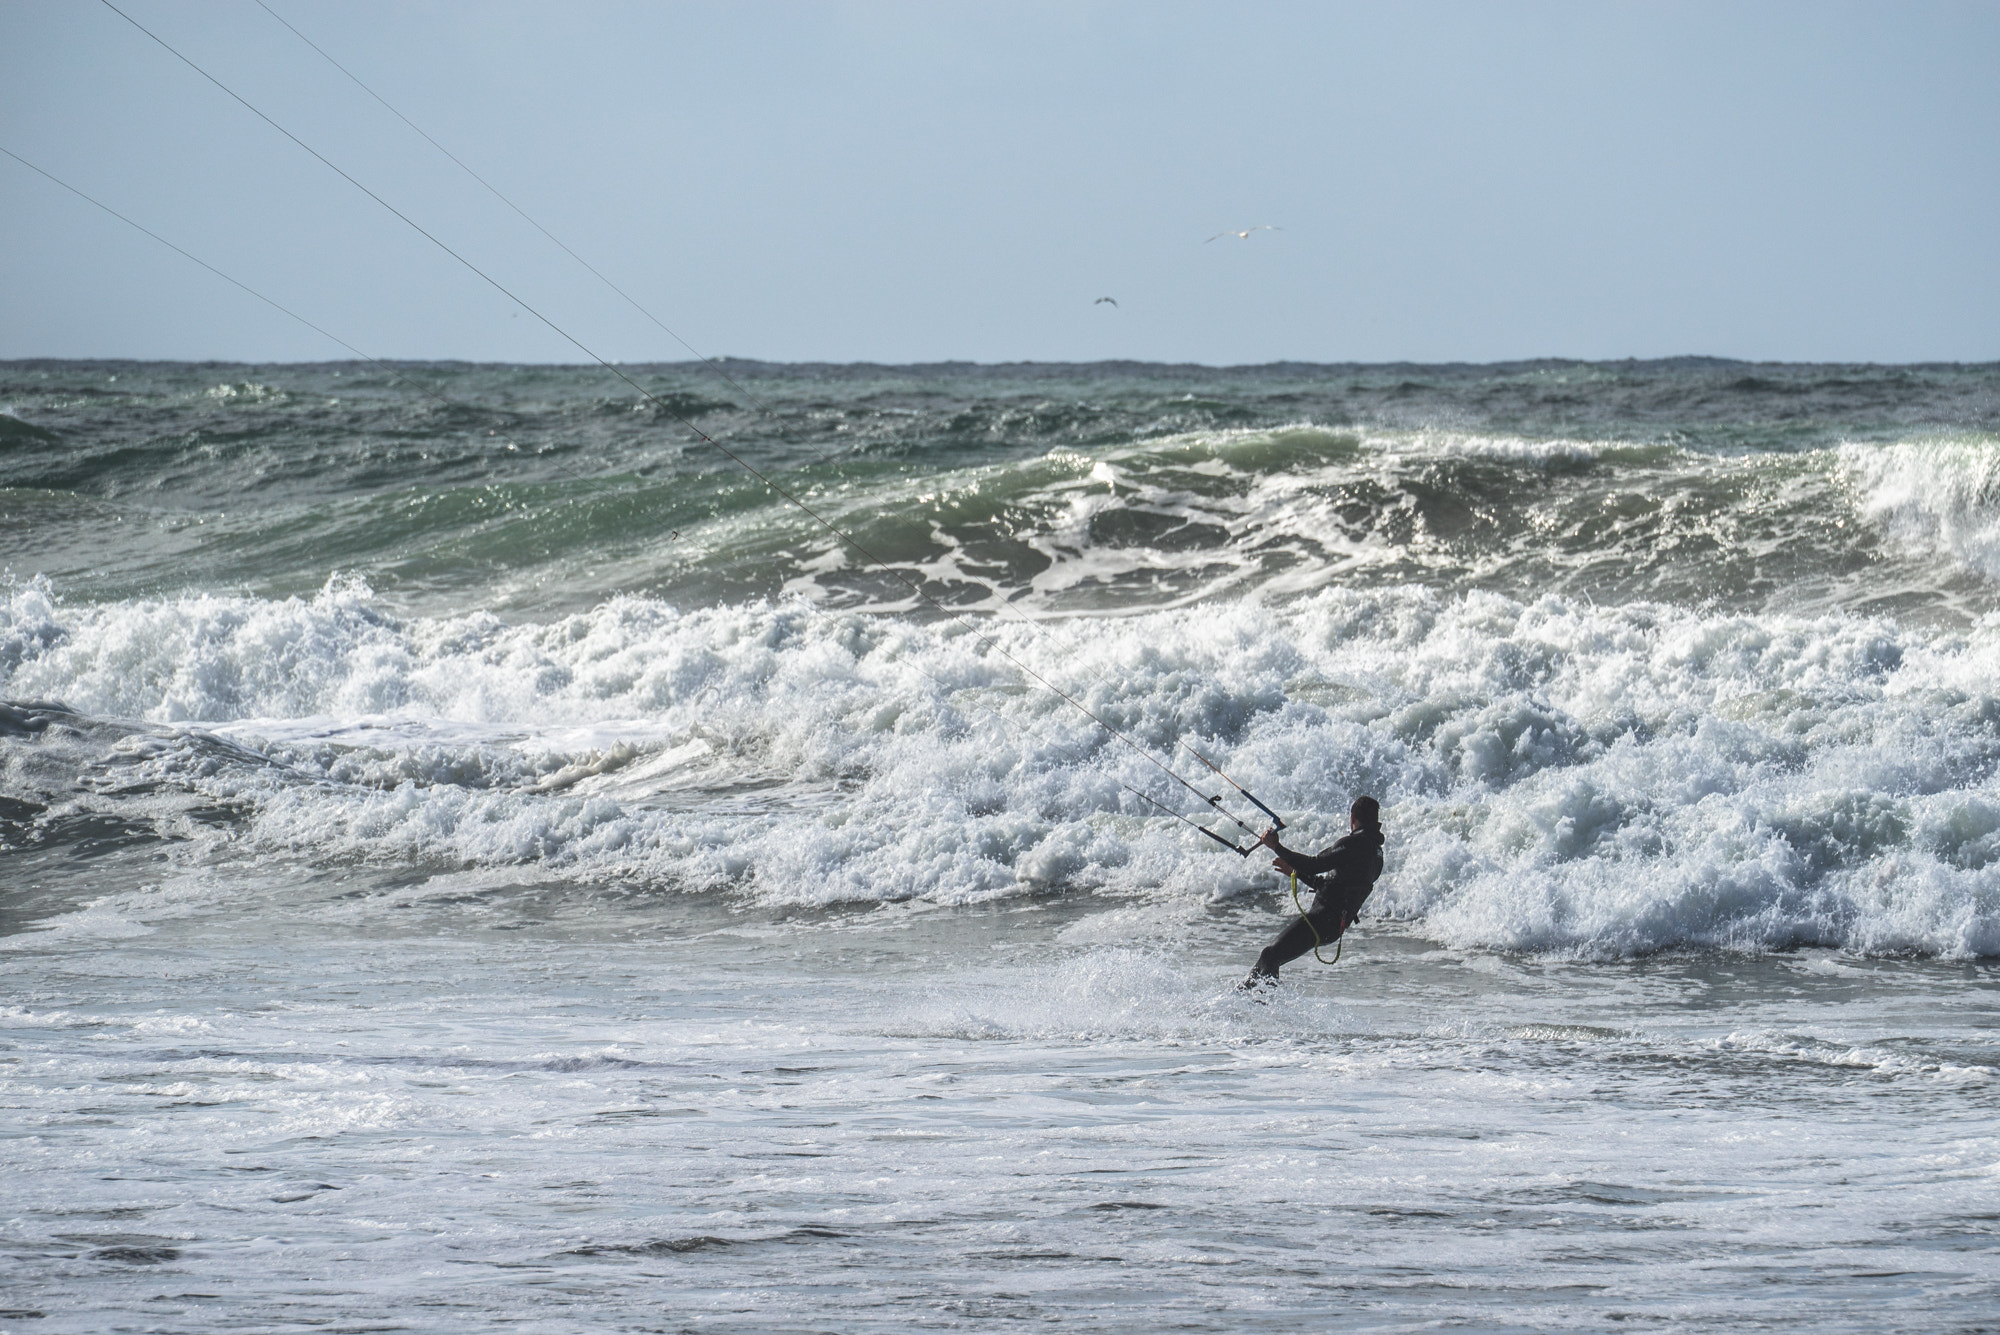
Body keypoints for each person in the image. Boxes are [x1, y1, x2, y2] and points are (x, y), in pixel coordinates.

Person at [1240, 795, 1385, 990]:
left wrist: (1277, 847)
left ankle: (1266, 1010)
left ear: (1352, 817)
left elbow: (1314, 865)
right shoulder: (1376, 854)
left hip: (1322, 919)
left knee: (1270, 955)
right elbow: (1335, 887)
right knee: (1270, 958)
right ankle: (1241, 999)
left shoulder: (1356, 844)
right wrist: (1296, 872)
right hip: (1333, 926)